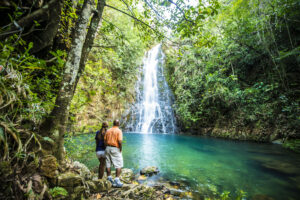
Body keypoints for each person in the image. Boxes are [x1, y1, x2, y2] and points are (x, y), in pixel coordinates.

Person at [104, 119, 123, 187]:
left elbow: (105, 141)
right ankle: (117, 180)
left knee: (108, 163)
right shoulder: (119, 131)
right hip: (115, 148)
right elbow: (120, 141)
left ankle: (109, 178)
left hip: (107, 148)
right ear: (118, 124)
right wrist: (120, 149)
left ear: (113, 123)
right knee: (118, 164)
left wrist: (107, 147)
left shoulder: (108, 130)